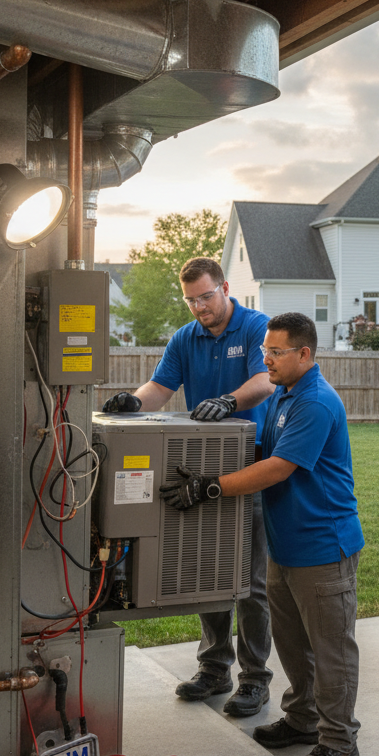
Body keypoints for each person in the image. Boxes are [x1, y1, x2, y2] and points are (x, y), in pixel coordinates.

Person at [159, 312, 365, 756]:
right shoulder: (280, 397)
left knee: (332, 650)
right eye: (264, 351)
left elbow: (278, 468)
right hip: (284, 542)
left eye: (275, 352)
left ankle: (339, 740)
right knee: (293, 644)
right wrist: (203, 461)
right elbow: (262, 451)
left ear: (304, 354)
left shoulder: (314, 402)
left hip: (323, 545)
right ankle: (302, 718)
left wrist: (211, 488)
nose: (265, 359)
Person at [100, 256, 275, 717]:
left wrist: (228, 400)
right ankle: (214, 667)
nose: (200, 307)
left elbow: (265, 381)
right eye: (192, 300)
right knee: (210, 566)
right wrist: (131, 402)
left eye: (207, 296)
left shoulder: (255, 327)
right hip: (203, 469)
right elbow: (160, 386)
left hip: (251, 463)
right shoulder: (185, 337)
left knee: (251, 581)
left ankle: (255, 680)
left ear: (225, 287)